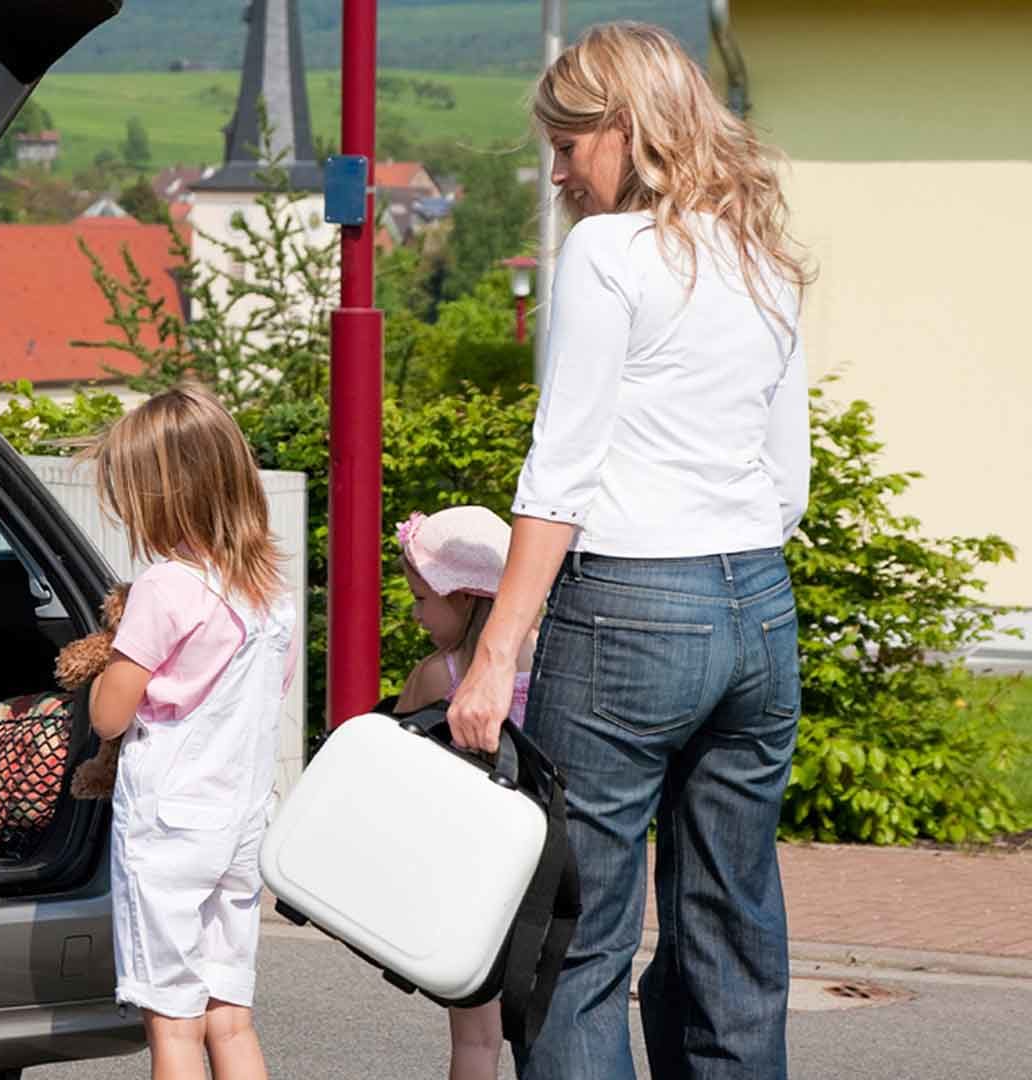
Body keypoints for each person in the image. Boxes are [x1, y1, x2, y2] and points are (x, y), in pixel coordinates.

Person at [446, 22, 812, 1080]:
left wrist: (494, 653)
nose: (556, 172)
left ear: (631, 130)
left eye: (570, 145)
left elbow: (559, 472)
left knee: (578, 940)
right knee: (733, 934)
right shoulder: (762, 258)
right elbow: (788, 483)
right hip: (758, 604)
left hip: (631, 613)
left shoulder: (608, 254)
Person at [85, 384, 296, 1080]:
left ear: (161, 498)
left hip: (170, 826)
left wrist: (105, 664)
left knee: (173, 1027)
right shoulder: (271, 594)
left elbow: (109, 714)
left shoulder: (165, 587)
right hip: (239, 824)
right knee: (229, 1019)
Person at [387, 506, 536, 1080]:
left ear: (465, 597)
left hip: (469, 875)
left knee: (476, 1041)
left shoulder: (440, 675)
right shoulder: (549, 664)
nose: (418, 613)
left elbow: (394, 762)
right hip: (542, 868)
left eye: (423, 599)